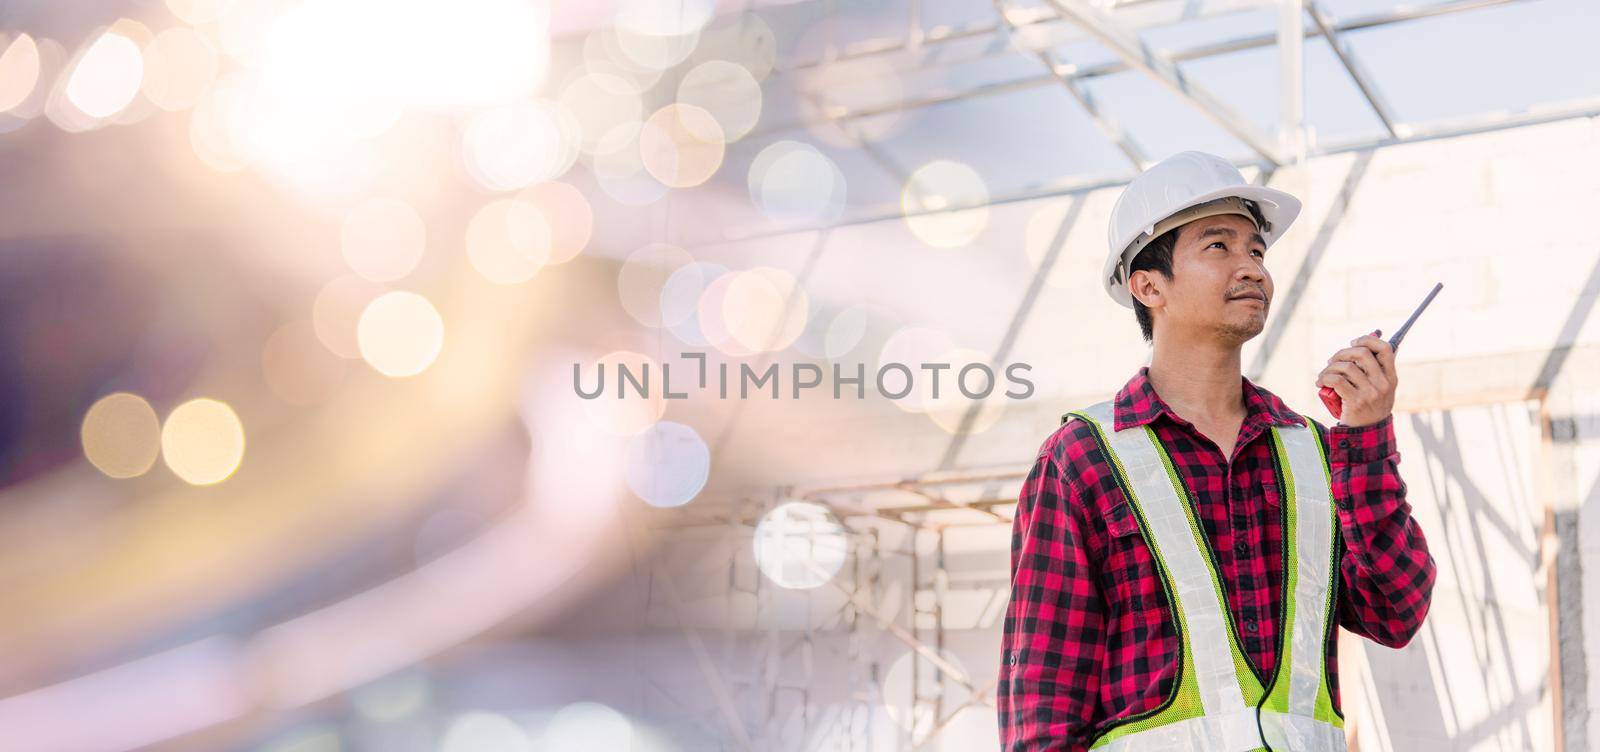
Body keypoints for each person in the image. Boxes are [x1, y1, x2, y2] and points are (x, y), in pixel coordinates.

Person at [996, 151, 1436, 751]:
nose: (1251, 267)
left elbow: (1396, 610)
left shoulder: (1313, 452)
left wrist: (1365, 437)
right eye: (1218, 247)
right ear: (1148, 285)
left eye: (1256, 250)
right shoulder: (1082, 460)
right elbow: (1043, 702)